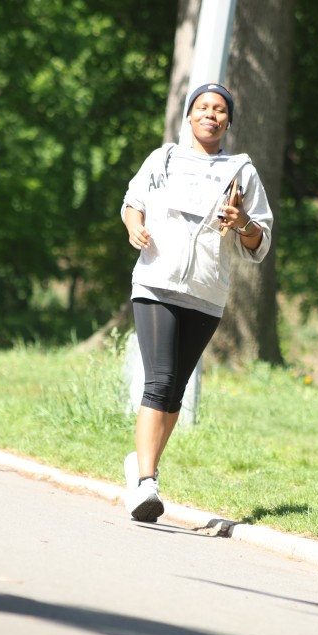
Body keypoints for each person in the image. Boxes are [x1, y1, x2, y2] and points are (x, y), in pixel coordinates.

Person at [120, 83, 273, 522]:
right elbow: (133, 202)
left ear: (228, 121)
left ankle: (141, 466)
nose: (211, 114)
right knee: (159, 381)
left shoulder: (241, 171)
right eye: (203, 107)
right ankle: (146, 482)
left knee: (176, 390)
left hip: (206, 293)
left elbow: (259, 241)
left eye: (220, 109)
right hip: (156, 283)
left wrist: (243, 222)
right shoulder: (163, 159)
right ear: (189, 116)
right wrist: (134, 227)